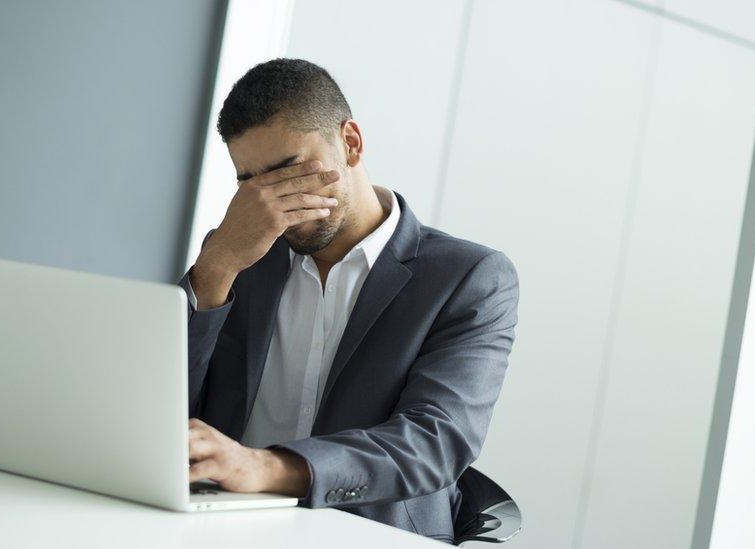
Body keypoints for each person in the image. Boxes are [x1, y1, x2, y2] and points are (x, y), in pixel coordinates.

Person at [177, 58, 519, 544]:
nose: (268, 200)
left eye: (286, 170)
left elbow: (435, 442)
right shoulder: (237, 251)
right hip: (221, 526)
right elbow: (157, 405)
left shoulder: (467, 277)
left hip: (369, 531)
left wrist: (265, 468)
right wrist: (216, 268)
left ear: (350, 144)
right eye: (248, 182)